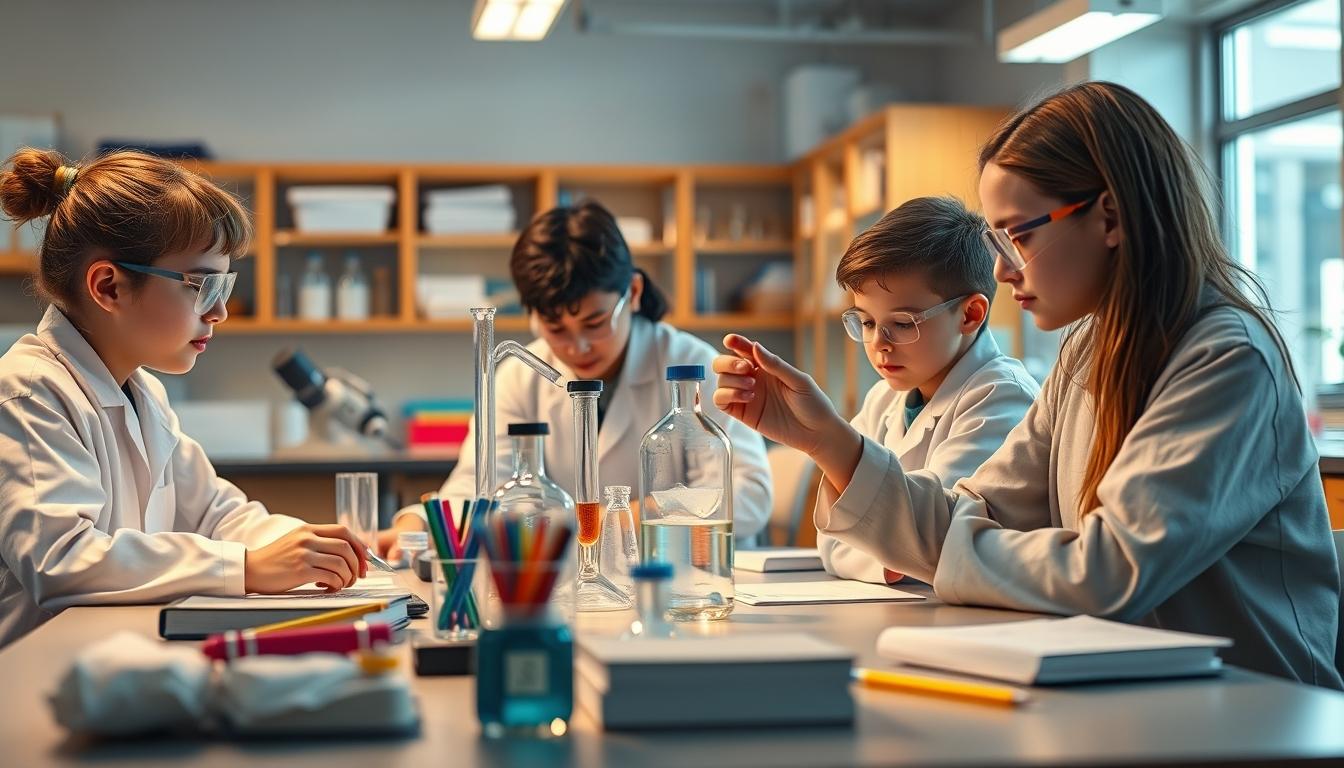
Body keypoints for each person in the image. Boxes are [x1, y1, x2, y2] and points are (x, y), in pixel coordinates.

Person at [712, 82, 1342, 688]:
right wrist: (827, 442)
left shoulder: (1226, 359)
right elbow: (975, 512)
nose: (1000, 268)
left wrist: (951, 553)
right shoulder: (1086, 351)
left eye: (1019, 234)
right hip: (1134, 683)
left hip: (1252, 705)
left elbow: (1109, 572)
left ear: (1110, 217)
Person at [0, 149, 368, 649]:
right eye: (202, 285)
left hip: (109, 656)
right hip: (34, 673)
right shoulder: (29, 391)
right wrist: (246, 567)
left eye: (224, 286)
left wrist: (317, 548)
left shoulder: (143, 391)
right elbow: (62, 560)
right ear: (109, 287)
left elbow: (217, 514)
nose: (219, 312)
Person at [381, 201, 771, 558]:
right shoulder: (519, 374)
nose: (577, 346)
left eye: (595, 322)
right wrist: (418, 525)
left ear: (633, 292)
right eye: (555, 328)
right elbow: (478, 486)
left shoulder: (691, 364)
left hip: (687, 576)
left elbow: (748, 494)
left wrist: (612, 519)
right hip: (569, 582)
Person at [816, 196, 1038, 583]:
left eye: (902, 323)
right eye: (866, 323)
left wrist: (886, 546)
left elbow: (940, 542)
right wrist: (891, 554)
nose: (879, 343)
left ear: (970, 314)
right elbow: (833, 543)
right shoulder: (883, 399)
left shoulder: (1001, 397)